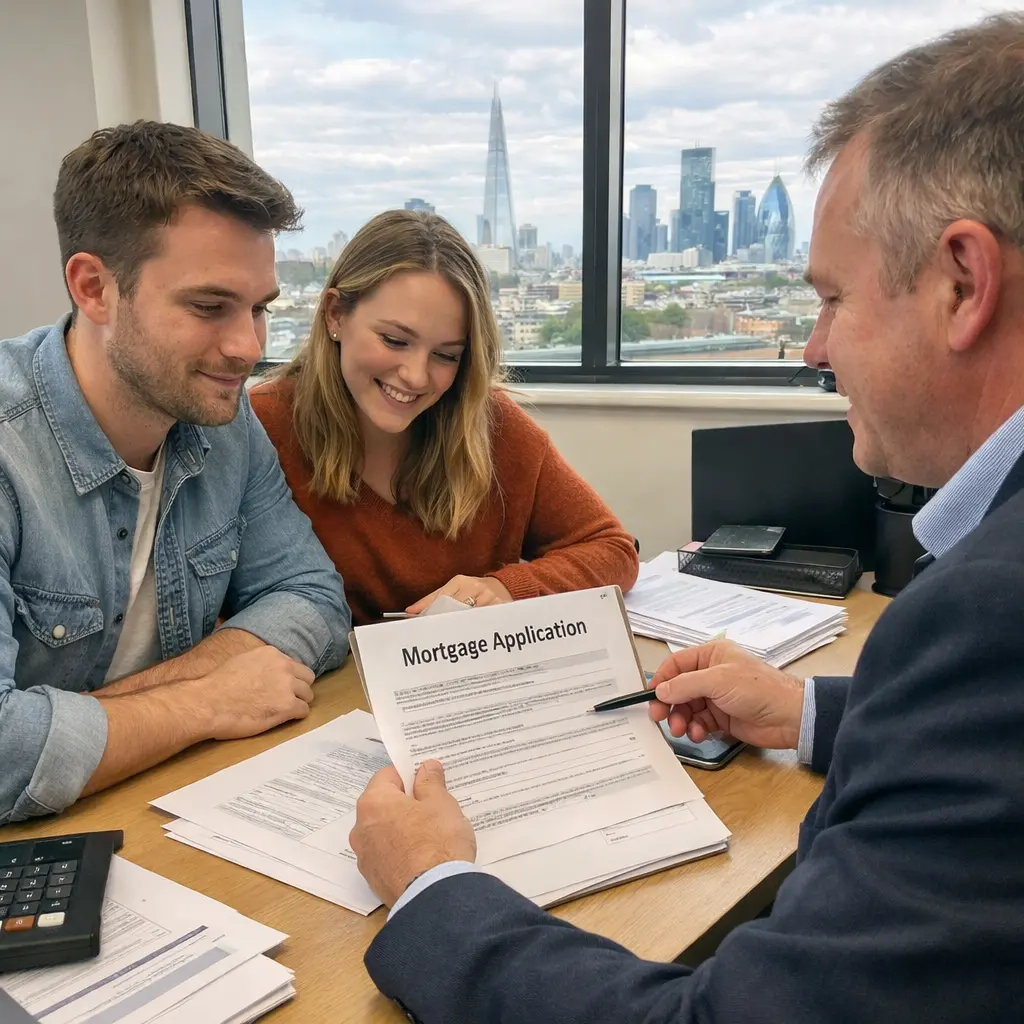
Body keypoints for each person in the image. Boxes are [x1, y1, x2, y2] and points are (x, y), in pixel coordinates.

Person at [349, 14, 1024, 1021]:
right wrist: (806, 715)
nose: (810, 348)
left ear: (962, 282)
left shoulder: (990, 613)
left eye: (832, 296)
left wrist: (434, 889)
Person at [0, 121, 351, 826]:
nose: (248, 347)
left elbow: (313, 598)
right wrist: (207, 700)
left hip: (154, 806)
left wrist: (113, 718)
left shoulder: (222, 419)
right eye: (209, 306)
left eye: (259, 309)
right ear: (94, 288)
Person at [250, 210, 638, 625]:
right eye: (394, 340)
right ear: (335, 316)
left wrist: (506, 588)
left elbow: (613, 549)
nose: (416, 376)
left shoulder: (491, 424)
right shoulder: (261, 425)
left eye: (446, 355)